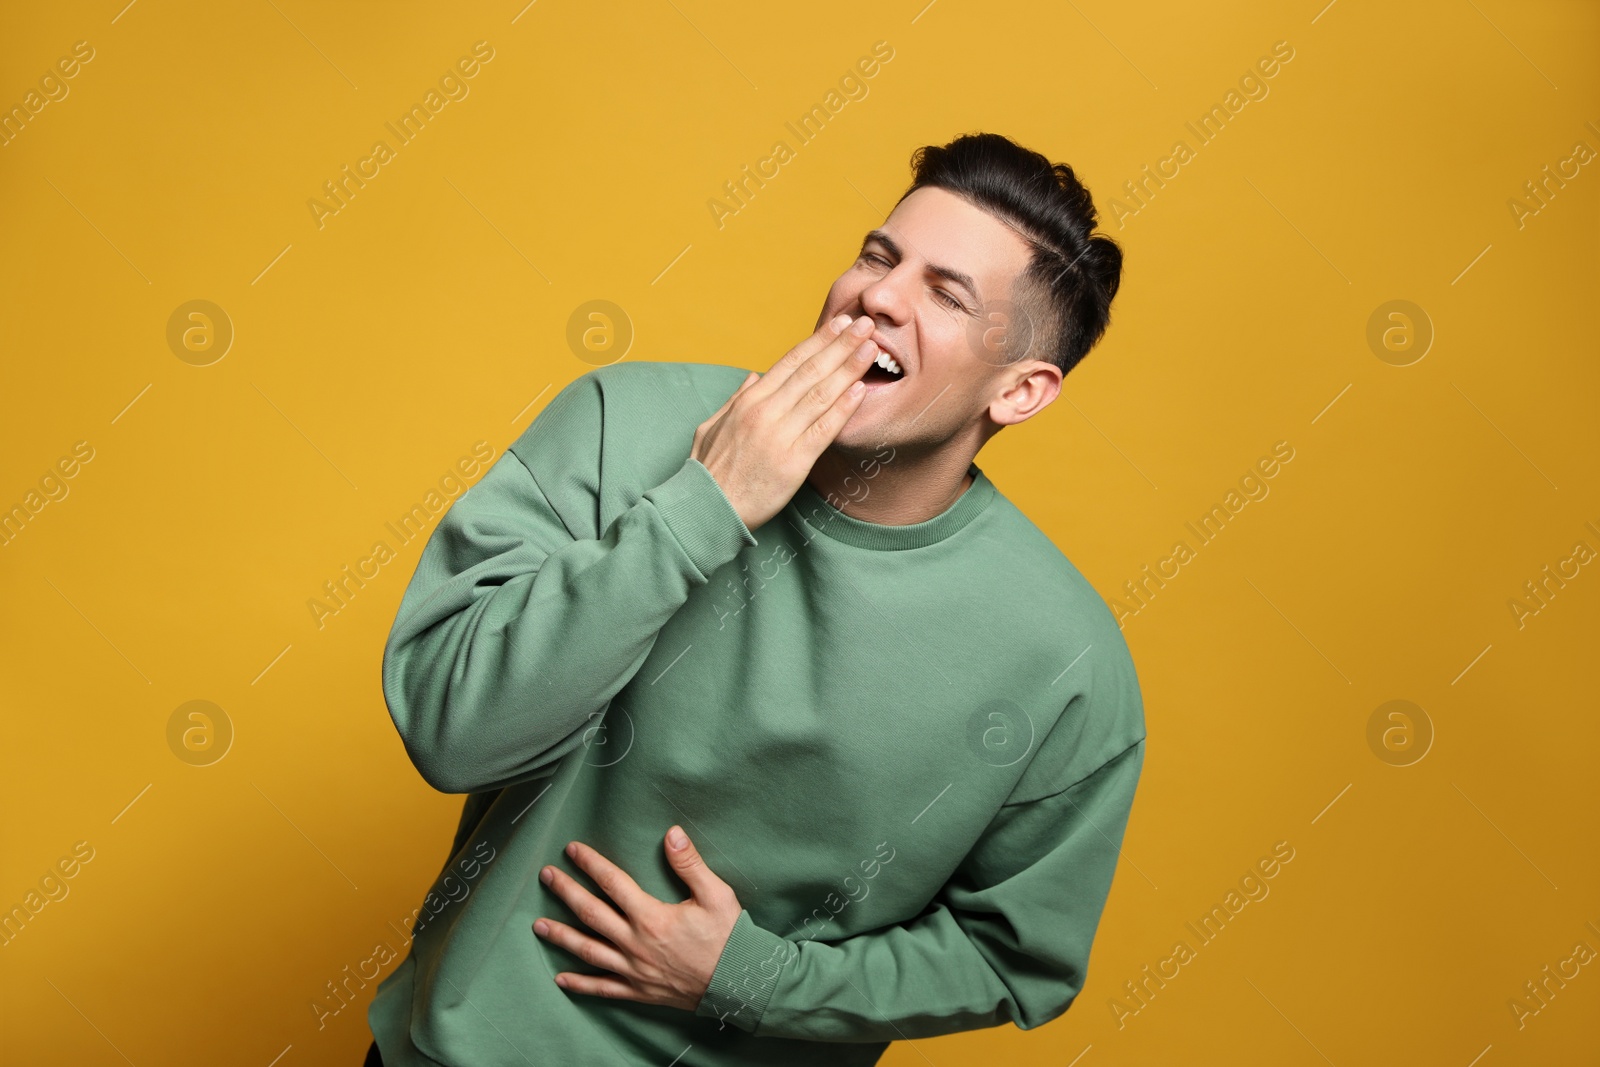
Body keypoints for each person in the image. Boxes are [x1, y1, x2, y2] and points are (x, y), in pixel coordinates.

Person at [365, 131, 1143, 1066]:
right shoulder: (625, 423)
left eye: (946, 295)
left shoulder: (1068, 662)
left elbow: (1015, 962)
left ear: (1020, 391)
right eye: (878, 255)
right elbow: (455, 732)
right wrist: (706, 503)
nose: (879, 297)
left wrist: (756, 978)